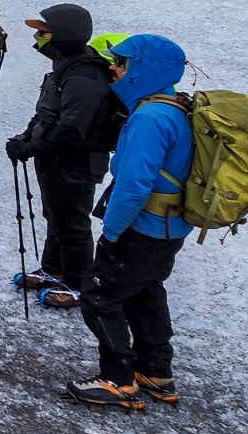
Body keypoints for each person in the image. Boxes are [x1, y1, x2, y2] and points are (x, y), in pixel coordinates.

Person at [67, 33, 192, 410]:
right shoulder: (171, 106)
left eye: (122, 63)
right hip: (166, 227)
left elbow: (135, 184)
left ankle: (117, 379)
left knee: (99, 297)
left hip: (143, 227)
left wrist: (113, 232)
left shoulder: (151, 117)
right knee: (144, 293)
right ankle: (155, 371)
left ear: (144, 70)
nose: (113, 68)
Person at [6, 4, 120, 309]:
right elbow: (47, 114)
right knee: (55, 216)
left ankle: (79, 283)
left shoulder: (84, 73)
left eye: (44, 31)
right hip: (56, 159)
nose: (38, 37)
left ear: (65, 34)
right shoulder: (68, 67)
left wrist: (31, 146)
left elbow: (72, 127)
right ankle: (54, 268)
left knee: (72, 223)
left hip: (76, 161)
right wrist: (25, 138)